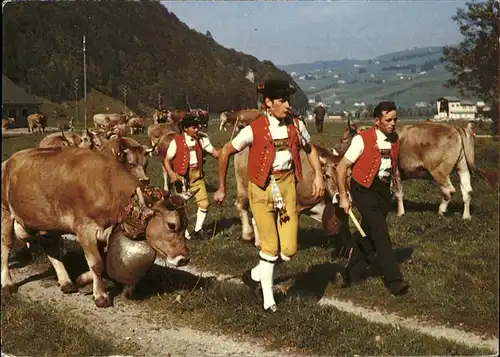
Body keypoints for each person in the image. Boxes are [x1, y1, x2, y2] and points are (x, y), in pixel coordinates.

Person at [213, 79, 325, 312]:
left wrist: (318, 176)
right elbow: (225, 151)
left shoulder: (296, 125)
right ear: (268, 103)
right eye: (282, 101)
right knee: (270, 247)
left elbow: (310, 149)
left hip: (287, 188)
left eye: (288, 100)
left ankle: (254, 275)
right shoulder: (254, 129)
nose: (287, 105)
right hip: (262, 188)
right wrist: (222, 187)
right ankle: (268, 301)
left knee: (289, 250)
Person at [336, 101, 409, 295]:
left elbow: (392, 167)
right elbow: (342, 167)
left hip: (383, 191)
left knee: (368, 230)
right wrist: (344, 196)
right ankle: (394, 280)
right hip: (363, 189)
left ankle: (351, 273)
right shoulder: (362, 139)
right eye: (388, 120)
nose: (392, 123)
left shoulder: (395, 139)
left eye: (395, 119)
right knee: (380, 232)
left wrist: (395, 189)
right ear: (376, 121)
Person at [163, 114, 220, 240]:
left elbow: (215, 153)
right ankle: (184, 232)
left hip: (197, 177)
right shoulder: (176, 141)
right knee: (181, 207)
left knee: (204, 204)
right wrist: (172, 174)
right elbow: (167, 160)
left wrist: (227, 151)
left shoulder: (202, 139)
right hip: (181, 178)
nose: (197, 130)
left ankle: (198, 230)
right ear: (185, 129)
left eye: (197, 127)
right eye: (194, 128)